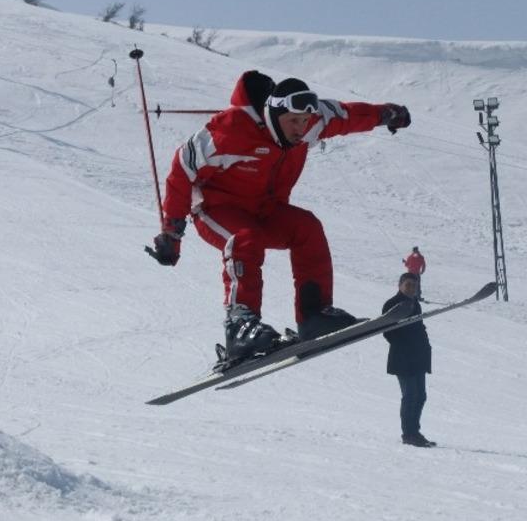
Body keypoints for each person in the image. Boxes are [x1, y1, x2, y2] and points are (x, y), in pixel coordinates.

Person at [147, 72, 411, 361]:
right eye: (293, 122)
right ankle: (240, 326)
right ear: (274, 115)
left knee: (307, 228)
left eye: (305, 122)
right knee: (244, 238)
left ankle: (314, 314)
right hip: (217, 209)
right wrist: (172, 231)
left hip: (266, 209)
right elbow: (182, 169)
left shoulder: (313, 122)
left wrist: (386, 114)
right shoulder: (229, 130)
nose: (301, 129)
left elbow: (348, 115)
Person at [382, 273, 435, 447]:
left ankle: (415, 432)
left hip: (418, 357)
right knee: (410, 395)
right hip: (403, 358)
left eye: (414, 285)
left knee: (420, 396)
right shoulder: (392, 304)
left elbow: (419, 328)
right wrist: (406, 345)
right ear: (400, 285)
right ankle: (408, 434)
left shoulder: (415, 304)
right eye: (408, 285)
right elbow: (388, 332)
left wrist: (425, 346)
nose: (411, 288)